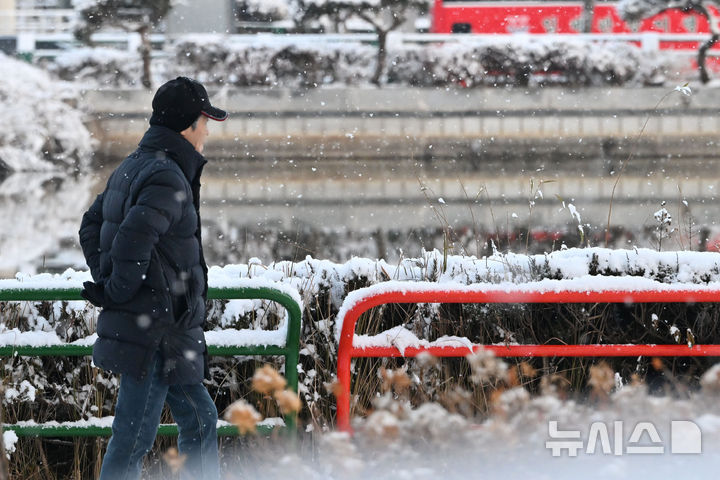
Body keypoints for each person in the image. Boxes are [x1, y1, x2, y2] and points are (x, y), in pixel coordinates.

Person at [78, 77, 228, 480]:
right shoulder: (165, 174)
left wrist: (111, 280)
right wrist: (120, 290)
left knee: (200, 420)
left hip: (168, 327)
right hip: (155, 329)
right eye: (204, 120)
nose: (208, 130)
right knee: (133, 438)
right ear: (187, 124)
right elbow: (130, 241)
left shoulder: (138, 164)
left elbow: (90, 226)